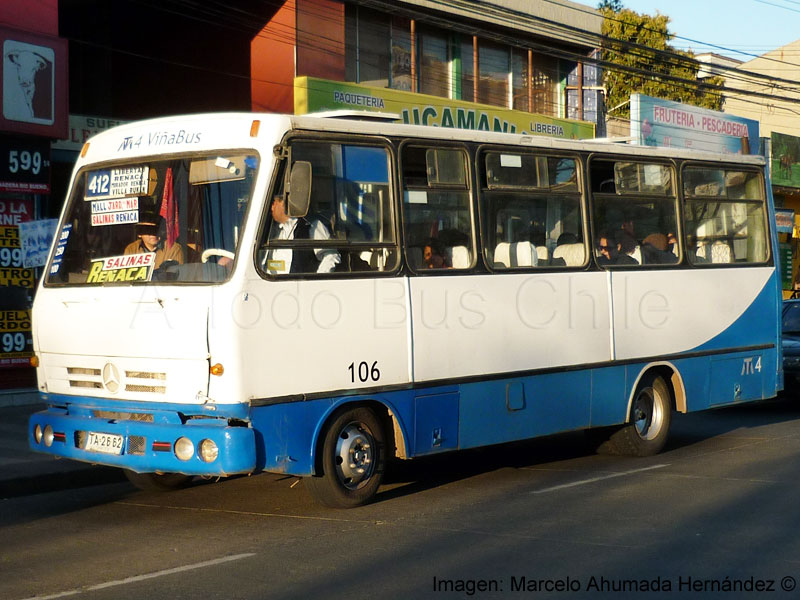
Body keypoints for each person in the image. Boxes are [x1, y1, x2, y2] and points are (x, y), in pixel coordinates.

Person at [266, 195, 340, 274]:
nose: (271, 208)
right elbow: (275, 265)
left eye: (273, 203)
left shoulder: (311, 226)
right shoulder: (275, 232)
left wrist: (316, 280)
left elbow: (331, 255)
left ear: (283, 203)